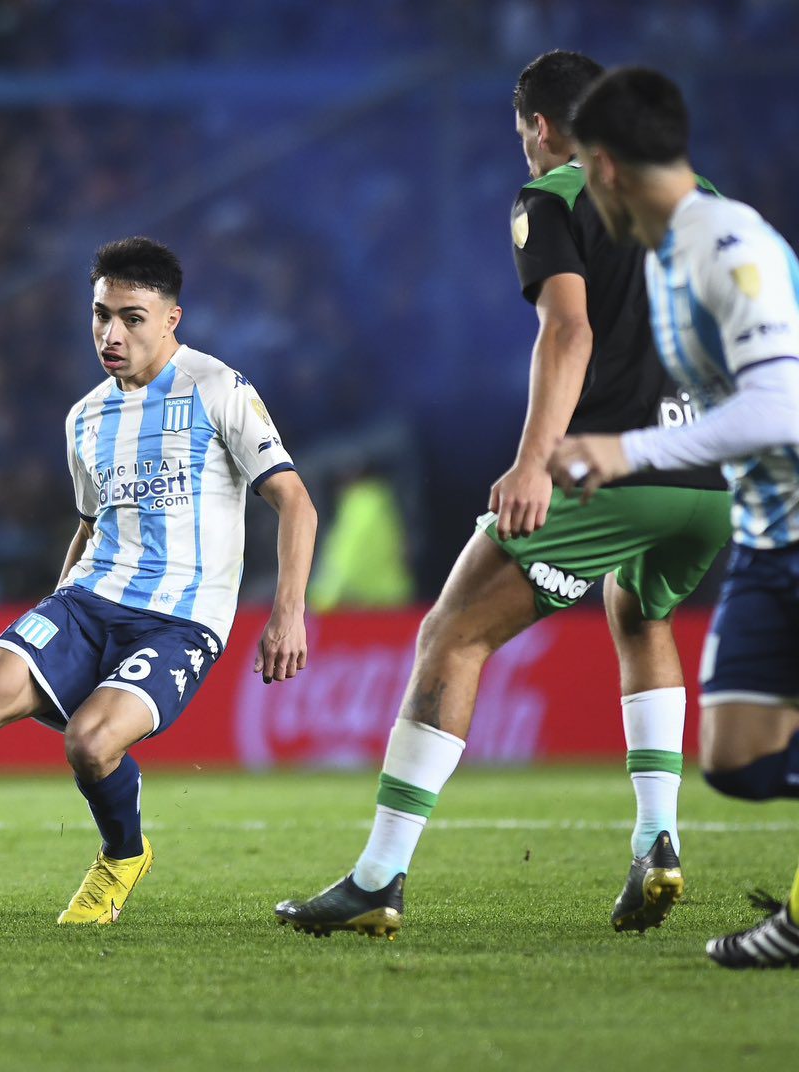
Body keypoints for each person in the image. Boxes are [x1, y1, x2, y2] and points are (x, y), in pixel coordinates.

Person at [275, 51, 730, 940]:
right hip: (709, 471)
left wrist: (534, 462)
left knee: (452, 633)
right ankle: (657, 840)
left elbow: (569, 328)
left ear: (539, 124)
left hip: (615, 468)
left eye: (523, 129)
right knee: (639, 611)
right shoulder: (697, 192)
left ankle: (378, 877)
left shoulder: (553, 195)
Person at [0, 237, 316, 931]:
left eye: (132, 317)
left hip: (180, 619)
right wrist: (51, 611)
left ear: (172, 318)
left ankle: (123, 855)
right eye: (100, 314)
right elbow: (90, 526)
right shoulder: (85, 417)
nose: (111, 334)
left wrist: (287, 613)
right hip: (89, 599)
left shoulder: (219, 389)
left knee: (90, 743)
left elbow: (296, 501)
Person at [549, 66, 799, 969]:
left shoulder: (730, 246)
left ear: (604, 166)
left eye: (581, 168)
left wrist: (627, 452)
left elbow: (783, 408)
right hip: (771, 534)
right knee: (738, 764)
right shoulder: (663, 256)